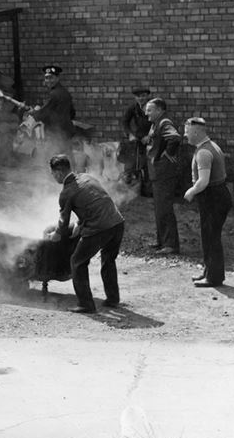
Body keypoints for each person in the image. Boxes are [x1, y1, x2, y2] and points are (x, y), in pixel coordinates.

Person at [48, 154, 125, 314]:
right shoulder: (87, 177)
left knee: (77, 262)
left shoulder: (67, 192)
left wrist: (55, 235)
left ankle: (86, 304)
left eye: (53, 173)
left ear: (59, 173)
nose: (53, 176)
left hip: (100, 227)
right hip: (117, 222)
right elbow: (96, 201)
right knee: (108, 260)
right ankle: (113, 300)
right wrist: (79, 223)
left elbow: (63, 222)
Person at [182, 118, 232, 287]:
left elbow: (203, 181)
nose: (185, 135)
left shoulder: (203, 152)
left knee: (211, 237)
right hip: (216, 196)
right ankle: (208, 271)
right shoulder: (210, 146)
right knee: (208, 235)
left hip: (213, 198)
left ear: (196, 132)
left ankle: (214, 277)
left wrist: (191, 191)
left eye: (187, 132)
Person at [145, 97, 181, 255]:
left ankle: (170, 245)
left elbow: (174, 138)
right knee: (159, 208)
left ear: (159, 110)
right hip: (157, 173)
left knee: (164, 208)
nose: (147, 113)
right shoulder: (156, 123)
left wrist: (167, 153)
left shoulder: (164, 122)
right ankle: (162, 241)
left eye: (150, 110)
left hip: (163, 174)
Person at [29, 65, 75, 154]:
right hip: (66, 131)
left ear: (57, 78)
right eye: (46, 78)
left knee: (54, 159)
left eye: (51, 78)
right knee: (67, 157)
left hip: (56, 132)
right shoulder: (65, 92)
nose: (48, 81)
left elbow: (44, 112)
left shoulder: (54, 94)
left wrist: (32, 113)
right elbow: (72, 112)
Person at [120, 86, 152, 185]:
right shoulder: (133, 108)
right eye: (138, 96)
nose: (141, 98)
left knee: (149, 164)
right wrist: (130, 134)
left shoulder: (153, 106)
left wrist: (150, 136)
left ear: (147, 96)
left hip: (152, 139)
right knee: (133, 162)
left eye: (143, 96)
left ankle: (149, 190)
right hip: (138, 138)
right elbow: (125, 122)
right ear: (135, 97)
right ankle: (131, 185)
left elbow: (158, 122)